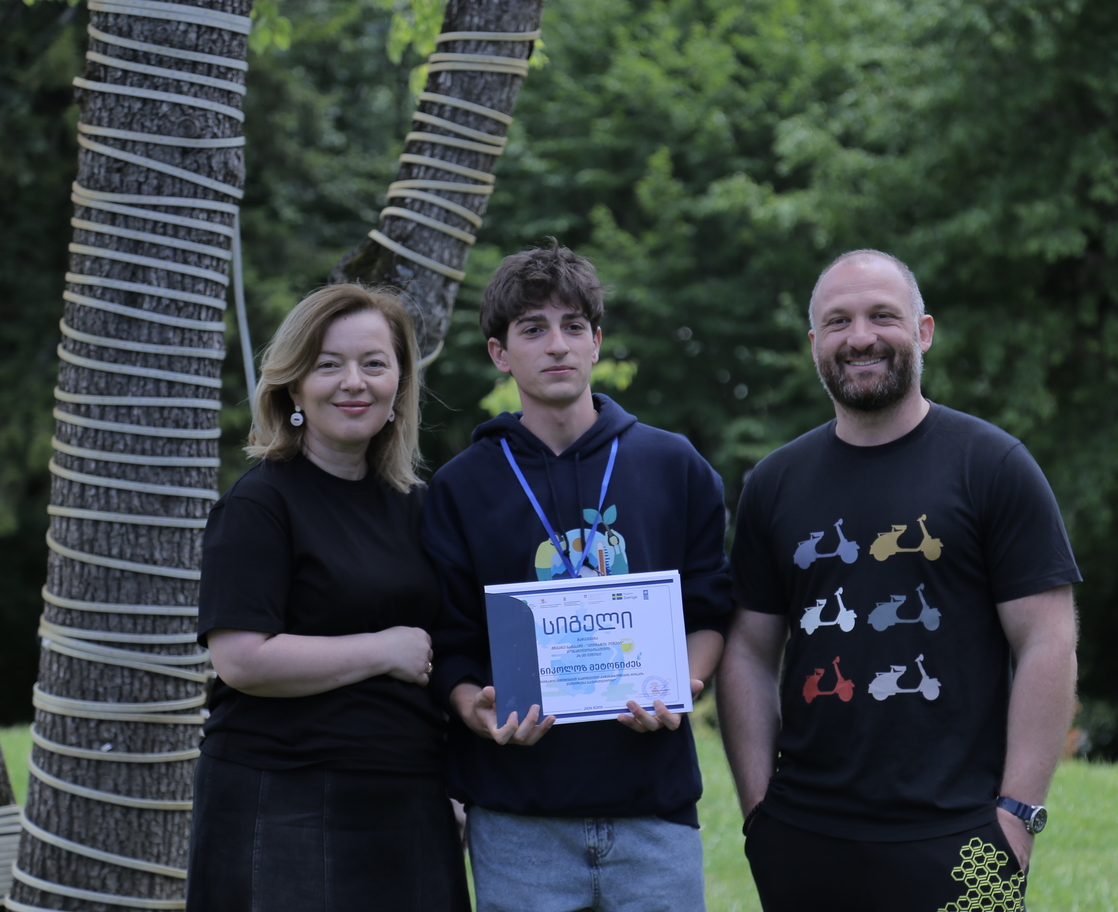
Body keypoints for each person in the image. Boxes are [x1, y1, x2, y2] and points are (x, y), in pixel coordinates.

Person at [718, 250, 1080, 912]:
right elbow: (747, 651)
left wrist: (1017, 819)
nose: (860, 337)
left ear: (923, 331)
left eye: (883, 316)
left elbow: (1048, 642)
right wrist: (758, 814)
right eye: (838, 321)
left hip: (966, 837)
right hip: (802, 841)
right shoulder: (773, 483)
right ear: (814, 343)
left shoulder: (994, 466)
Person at [422, 242, 732, 912]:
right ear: (500, 353)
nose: (557, 345)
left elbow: (709, 609)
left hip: (654, 812)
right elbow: (448, 640)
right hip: (517, 819)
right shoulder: (459, 487)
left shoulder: (674, 465)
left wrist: (685, 683)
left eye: (573, 326)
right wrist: (474, 708)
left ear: (597, 342)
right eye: (533, 329)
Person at [187, 285, 468, 912]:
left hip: (408, 798)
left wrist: (456, 782)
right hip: (282, 798)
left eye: (374, 363)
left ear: (400, 384)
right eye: (328, 364)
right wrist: (381, 650)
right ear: (293, 386)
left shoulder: (419, 507)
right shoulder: (259, 504)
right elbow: (241, 660)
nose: (354, 383)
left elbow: (450, 648)